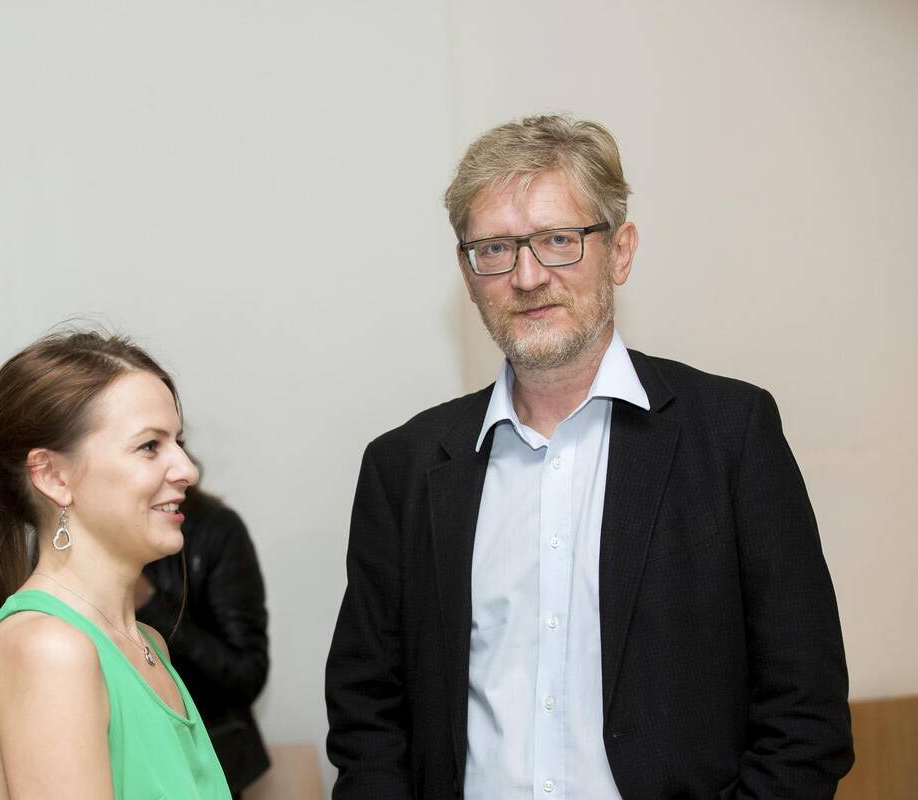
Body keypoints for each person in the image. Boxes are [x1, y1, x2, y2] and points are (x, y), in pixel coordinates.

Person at [325, 115, 853, 799]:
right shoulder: (404, 468)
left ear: (620, 252)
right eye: (495, 248)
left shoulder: (731, 436)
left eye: (557, 240)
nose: (527, 276)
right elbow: (368, 717)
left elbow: (804, 712)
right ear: (468, 272)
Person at [0, 330, 231, 799]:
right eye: (149, 446)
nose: (187, 469)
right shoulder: (50, 652)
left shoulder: (147, 645)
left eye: (178, 441)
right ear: (53, 476)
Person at [137, 485, 271, 796]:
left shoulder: (215, 530)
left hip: (208, 762)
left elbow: (247, 674)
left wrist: (149, 603)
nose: (186, 470)